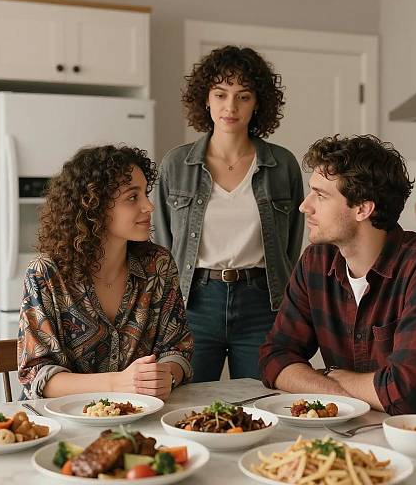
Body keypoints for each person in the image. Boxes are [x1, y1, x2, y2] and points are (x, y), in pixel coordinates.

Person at [259, 134, 416, 429]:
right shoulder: (315, 262)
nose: (304, 206)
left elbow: (407, 394)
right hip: (352, 433)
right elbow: (275, 358)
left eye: (321, 196)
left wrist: (324, 378)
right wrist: (337, 390)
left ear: (362, 209)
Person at [153, 45, 304, 382]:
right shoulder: (176, 165)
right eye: (221, 94)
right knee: (186, 406)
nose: (230, 107)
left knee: (260, 404)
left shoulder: (283, 165)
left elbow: (292, 245)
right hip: (193, 301)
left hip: (262, 303)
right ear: (205, 99)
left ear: (258, 103)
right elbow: (159, 243)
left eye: (243, 96)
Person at [18, 145, 193, 400]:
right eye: (133, 198)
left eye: (145, 194)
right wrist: (117, 383)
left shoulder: (159, 266)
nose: (148, 206)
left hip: (139, 418)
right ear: (94, 207)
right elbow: (38, 376)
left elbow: (177, 347)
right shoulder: (45, 274)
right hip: (62, 424)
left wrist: (167, 375)